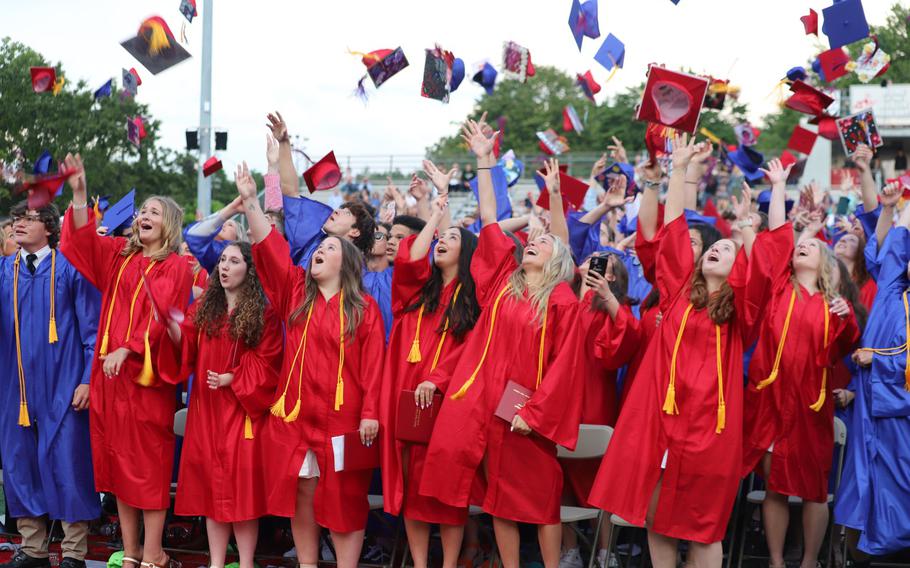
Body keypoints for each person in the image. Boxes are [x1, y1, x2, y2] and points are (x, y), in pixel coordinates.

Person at [587, 135, 788, 568]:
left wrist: (749, 228)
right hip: (662, 422)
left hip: (709, 430)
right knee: (657, 520)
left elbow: (767, 272)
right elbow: (673, 227)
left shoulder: (740, 314)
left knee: (702, 528)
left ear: (740, 269)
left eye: (726, 250)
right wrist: (676, 170)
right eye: (712, 248)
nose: (716, 249)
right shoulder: (679, 294)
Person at [420, 120, 583, 568]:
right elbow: (490, 220)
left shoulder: (563, 301)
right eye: (533, 239)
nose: (533, 243)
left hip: (527, 414)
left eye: (544, 242)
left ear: (559, 259)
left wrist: (536, 413)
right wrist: (484, 159)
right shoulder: (500, 286)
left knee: (542, 501)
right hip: (487, 409)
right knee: (497, 502)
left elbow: (566, 366)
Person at [236, 162, 384, 568]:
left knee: (344, 500)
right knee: (303, 493)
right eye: (320, 248)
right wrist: (251, 200)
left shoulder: (363, 310)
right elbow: (271, 252)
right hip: (298, 416)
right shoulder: (297, 297)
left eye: (329, 249)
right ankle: (307, 563)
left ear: (347, 262)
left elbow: (375, 368)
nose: (320, 250)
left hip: (344, 418)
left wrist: (371, 413)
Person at [59, 153, 193, 568]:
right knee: (117, 466)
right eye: (142, 211)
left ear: (168, 223)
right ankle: (132, 552)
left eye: (154, 211)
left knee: (147, 469)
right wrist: (80, 194)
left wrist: (128, 348)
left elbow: (164, 313)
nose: (143, 215)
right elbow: (79, 244)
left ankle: (154, 552)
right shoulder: (118, 256)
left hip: (145, 382)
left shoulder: (176, 266)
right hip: (110, 382)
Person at [741, 160, 860, 568]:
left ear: (826, 263)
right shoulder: (778, 289)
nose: (802, 246)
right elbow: (777, 236)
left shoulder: (833, 305)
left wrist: (845, 317)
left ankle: (809, 561)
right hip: (772, 402)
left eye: (811, 245)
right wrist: (778, 186)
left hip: (811, 407)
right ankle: (776, 562)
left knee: (812, 490)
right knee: (774, 487)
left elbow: (844, 348)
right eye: (800, 246)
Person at [158, 242, 283, 568]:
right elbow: (186, 347)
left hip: (241, 411)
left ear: (249, 270)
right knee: (213, 491)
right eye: (223, 261)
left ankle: (244, 563)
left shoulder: (263, 312)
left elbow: (269, 360)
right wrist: (172, 328)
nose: (225, 267)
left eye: (234, 261)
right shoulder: (203, 308)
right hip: (207, 410)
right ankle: (215, 562)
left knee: (240, 493)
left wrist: (233, 378)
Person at [379, 195, 480, 568]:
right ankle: (420, 564)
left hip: (449, 405)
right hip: (408, 403)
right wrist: (435, 213)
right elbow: (407, 259)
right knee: (412, 492)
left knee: (448, 491)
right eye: (439, 238)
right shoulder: (415, 293)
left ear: (466, 253)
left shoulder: (472, 301)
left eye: (451, 239)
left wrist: (438, 379)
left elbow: (472, 352)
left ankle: (450, 563)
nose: (441, 242)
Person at [0, 201, 100, 568]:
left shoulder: (71, 269)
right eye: (16, 218)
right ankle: (33, 546)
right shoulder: (4, 270)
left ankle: (73, 551)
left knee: (68, 463)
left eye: (27, 218)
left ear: (49, 227)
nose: (18, 224)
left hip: (64, 384)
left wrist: (88, 380)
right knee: (19, 462)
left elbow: (93, 331)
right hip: (17, 387)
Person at [835, 181, 910, 558]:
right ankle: (862, 555)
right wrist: (888, 209)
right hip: (872, 403)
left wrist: (877, 360)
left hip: (899, 409)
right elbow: (887, 254)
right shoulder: (895, 290)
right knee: (864, 482)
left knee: (898, 484)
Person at [559, 251, 640, 568]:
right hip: (560, 398)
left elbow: (621, 346)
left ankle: (605, 553)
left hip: (592, 400)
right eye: (589, 257)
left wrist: (606, 300)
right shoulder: (563, 296)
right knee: (559, 478)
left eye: (600, 262)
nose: (591, 261)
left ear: (611, 277)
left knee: (595, 478)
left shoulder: (613, 309)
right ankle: (570, 550)